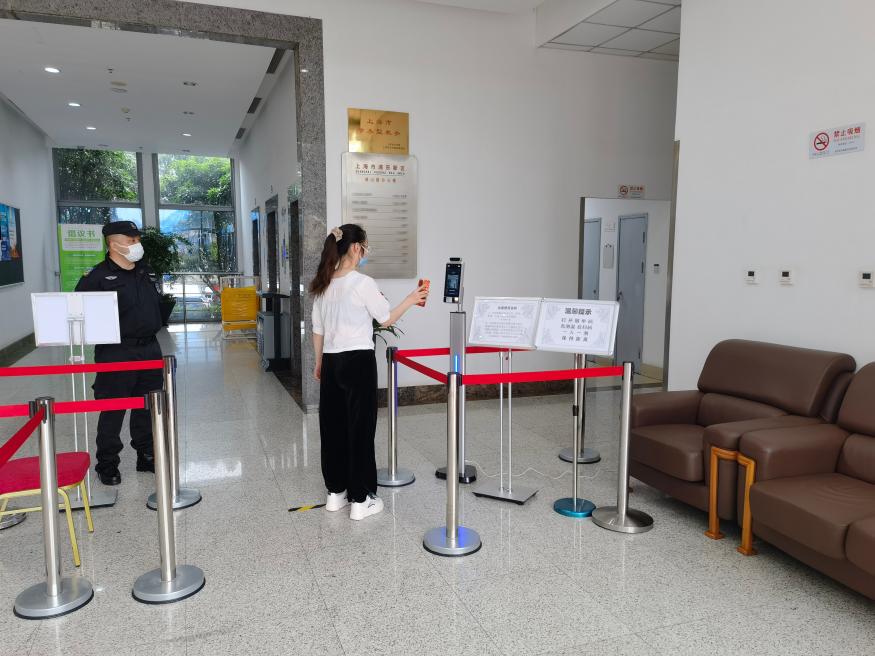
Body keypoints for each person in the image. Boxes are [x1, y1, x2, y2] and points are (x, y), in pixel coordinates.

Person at [311, 224, 428, 520]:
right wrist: (411, 299)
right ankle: (361, 500)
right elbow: (385, 318)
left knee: (333, 428)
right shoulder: (362, 283)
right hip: (358, 362)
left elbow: (317, 329)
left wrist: (319, 362)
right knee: (360, 429)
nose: (364, 253)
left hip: (331, 362)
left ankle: (335, 493)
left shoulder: (323, 283)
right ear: (355, 248)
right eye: (364, 247)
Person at [75, 220, 163, 486]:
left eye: (137, 240)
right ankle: (107, 463)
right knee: (113, 409)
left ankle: (145, 454)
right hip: (116, 350)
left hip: (150, 348)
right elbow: (80, 314)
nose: (137, 245)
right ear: (113, 244)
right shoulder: (96, 277)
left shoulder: (144, 271)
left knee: (147, 405)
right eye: (131, 240)